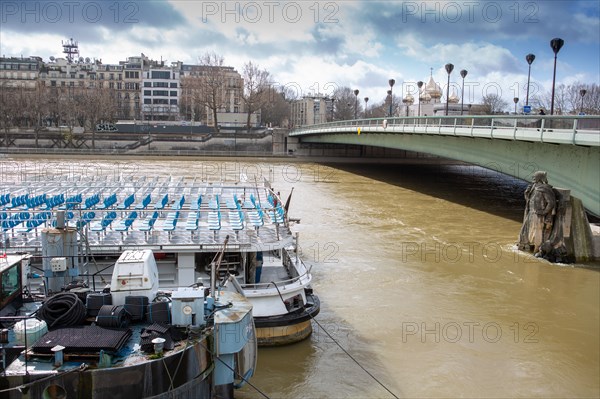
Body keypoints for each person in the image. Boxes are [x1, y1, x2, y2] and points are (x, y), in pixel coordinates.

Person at [518, 171, 556, 253]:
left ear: (539, 178)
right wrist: (527, 193)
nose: (533, 179)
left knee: (537, 232)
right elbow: (529, 201)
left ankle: (537, 249)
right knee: (526, 230)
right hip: (531, 213)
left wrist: (544, 212)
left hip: (538, 215)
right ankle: (526, 246)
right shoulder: (533, 187)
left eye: (535, 178)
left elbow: (551, 202)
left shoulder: (545, 189)